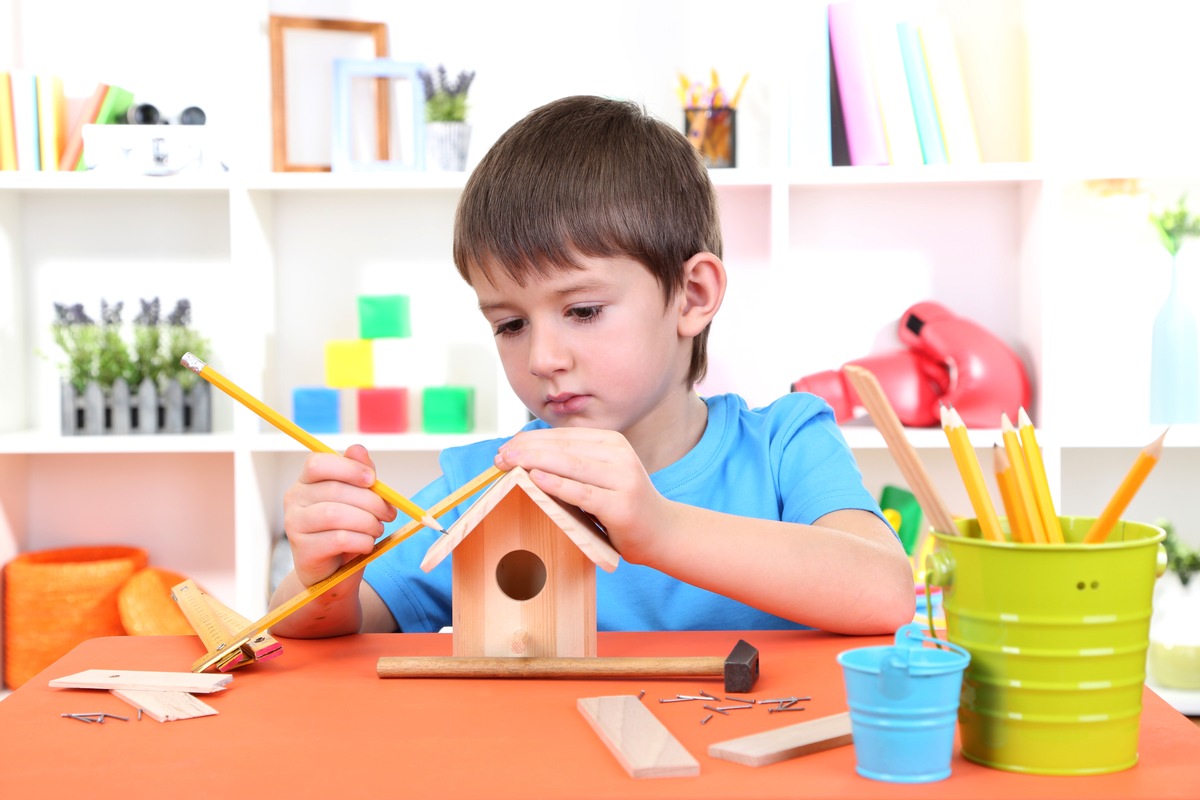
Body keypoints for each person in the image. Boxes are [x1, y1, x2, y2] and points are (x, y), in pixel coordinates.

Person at [270, 95, 915, 639]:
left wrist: (660, 530)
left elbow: (886, 593)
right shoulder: (485, 483)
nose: (544, 358)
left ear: (692, 296)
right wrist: (325, 579)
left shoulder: (784, 445)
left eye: (581, 310)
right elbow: (320, 636)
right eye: (510, 325)